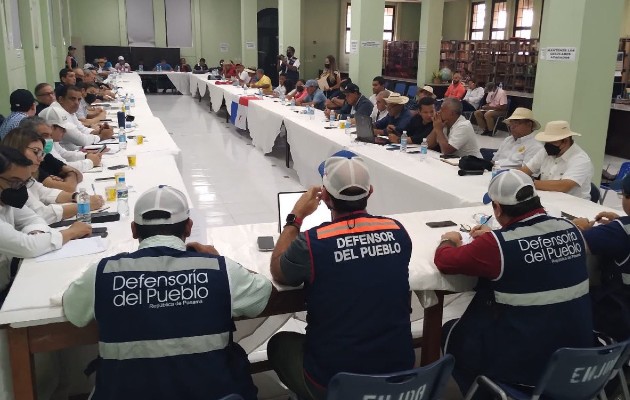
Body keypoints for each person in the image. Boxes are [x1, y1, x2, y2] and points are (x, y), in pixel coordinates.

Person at [62, 185, 273, 400]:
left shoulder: (102, 272)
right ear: (189, 227)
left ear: (134, 230)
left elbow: (74, 313)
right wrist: (220, 260)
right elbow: (262, 293)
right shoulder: (219, 269)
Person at [268, 151, 414, 400]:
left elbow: (278, 270)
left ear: (324, 197)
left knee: (279, 344)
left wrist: (295, 218)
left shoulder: (312, 244)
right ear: (369, 192)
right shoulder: (398, 231)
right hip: (400, 375)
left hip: (337, 382)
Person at [435, 169, 593, 395]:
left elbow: (445, 261)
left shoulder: (495, 245)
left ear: (497, 208)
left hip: (525, 366)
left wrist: (448, 240)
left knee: (452, 332)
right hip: (577, 361)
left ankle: (488, 393)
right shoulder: (572, 229)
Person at [0, 145, 91, 302]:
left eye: (24, 183)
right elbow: (27, 246)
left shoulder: (6, 198)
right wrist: (70, 232)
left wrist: (37, 236)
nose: (20, 189)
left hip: (11, 276)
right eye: (16, 183)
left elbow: (33, 219)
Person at [2, 128, 104, 224]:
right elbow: (42, 214)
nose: (41, 159)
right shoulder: (11, 183)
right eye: (36, 152)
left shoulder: (28, 176)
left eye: (41, 154)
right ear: (16, 151)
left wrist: (77, 197)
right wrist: (84, 206)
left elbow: (45, 193)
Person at [573, 174, 630, 341]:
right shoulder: (619, 229)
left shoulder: (619, 232)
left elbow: (575, 244)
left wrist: (579, 227)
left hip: (617, 314)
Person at [520, 120, 594, 200]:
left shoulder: (580, 159)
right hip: (546, 200)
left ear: (565, 141)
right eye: (546, 142)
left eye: (552, 143)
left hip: (572, 206)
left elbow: (563, 186)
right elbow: (526, 170)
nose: (548, 146)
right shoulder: (546, 152)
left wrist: (529, 182)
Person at [22, 115, 101, 173]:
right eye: (45, 135)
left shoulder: (46, 145)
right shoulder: (33, 158)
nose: (49, 139)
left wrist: (85, 156)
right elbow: (64, 167)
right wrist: (90, 162)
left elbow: (63, 154)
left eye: (50, 135)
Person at [47, 85, 114, 150]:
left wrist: (98, 131)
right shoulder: (56, 112)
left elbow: (81, 129)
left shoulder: (68, 109)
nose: (77, 103)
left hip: (72, 152)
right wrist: (102, 136)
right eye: (72, 99)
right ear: (61, 99)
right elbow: (81, 140)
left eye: (79, 99)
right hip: (65, 155)